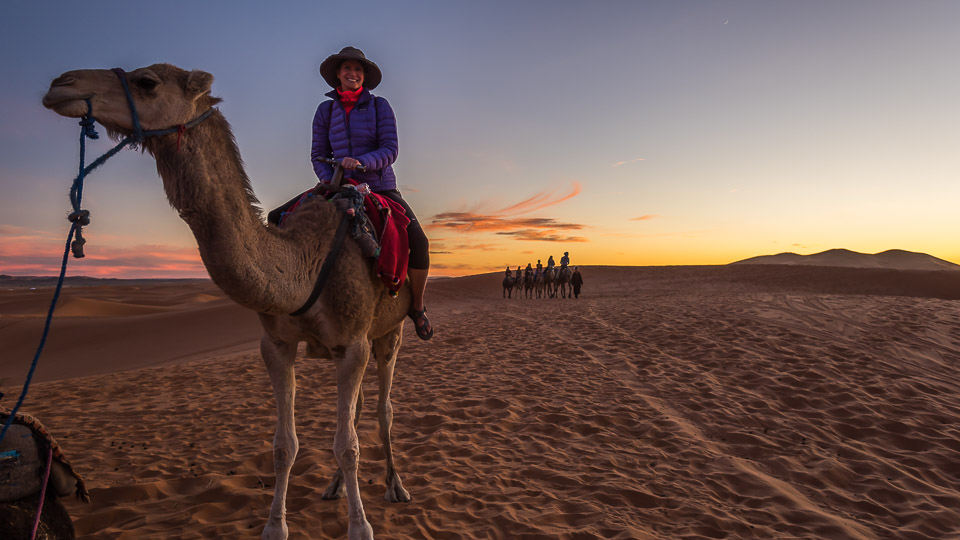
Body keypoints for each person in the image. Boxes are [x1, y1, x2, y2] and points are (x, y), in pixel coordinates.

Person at [312, 46, 433, 340]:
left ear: (364, 76)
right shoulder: (325, 111)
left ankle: (416, 307)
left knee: (419, 242)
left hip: (380, 186)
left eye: (358, 70)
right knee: (290, 222)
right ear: (337, 75)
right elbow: (318, 154)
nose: (352, 74)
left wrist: (363, 163)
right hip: (338, 186)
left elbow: (390, 149)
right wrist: (332, 181)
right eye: (347, 69)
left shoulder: (380, 106)